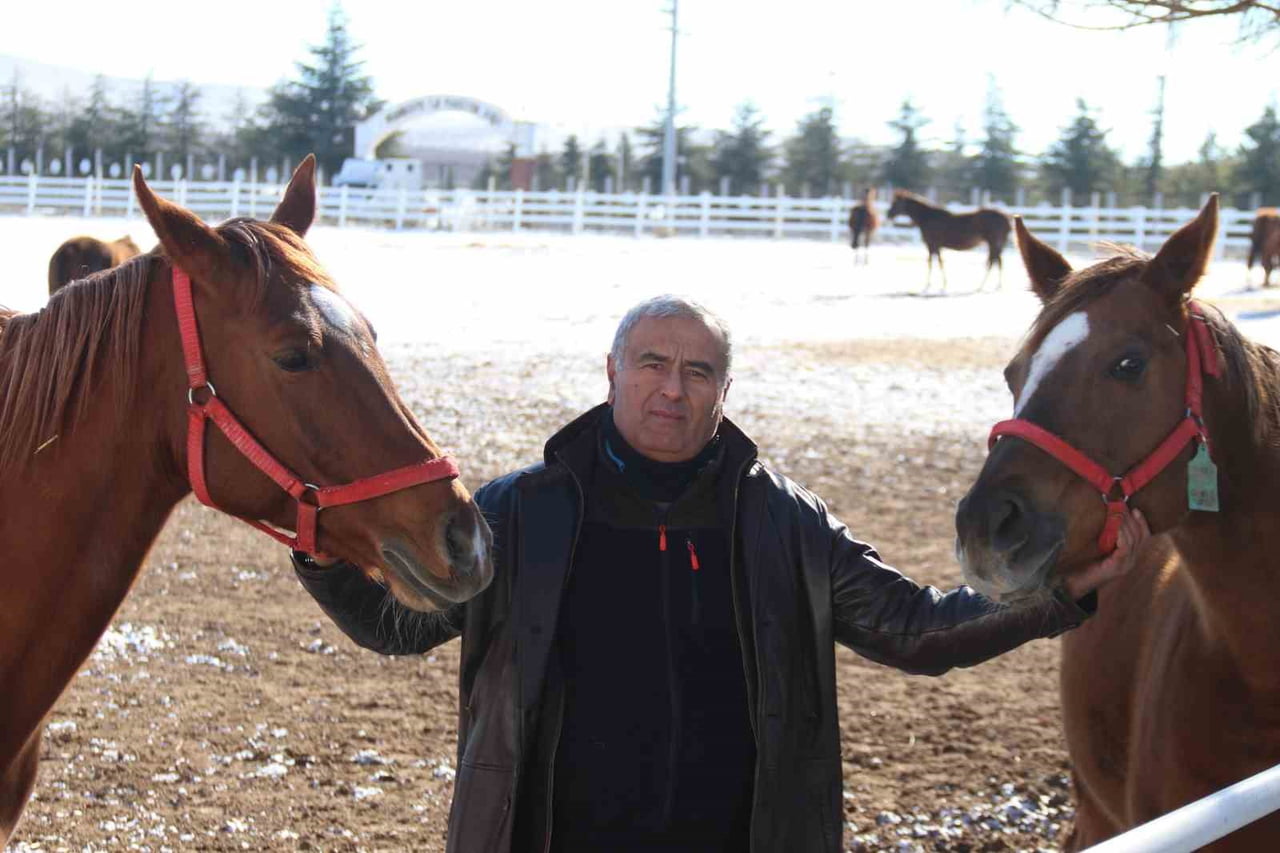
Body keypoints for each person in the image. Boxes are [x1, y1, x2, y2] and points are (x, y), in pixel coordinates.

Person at [292, 295, 1148, 853]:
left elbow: (915, 630)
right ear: (613, 374)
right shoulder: (522, 511)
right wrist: (318, 551)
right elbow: (394, 626)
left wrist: (1057, 595)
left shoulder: (781, 518)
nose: (673, 388)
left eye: (697, 370)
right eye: (653, 364)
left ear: (724, 391)